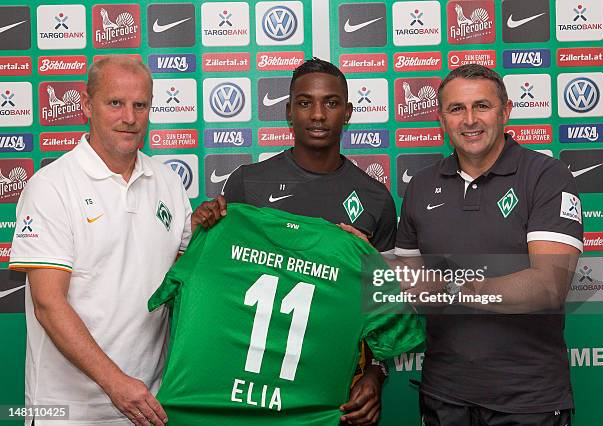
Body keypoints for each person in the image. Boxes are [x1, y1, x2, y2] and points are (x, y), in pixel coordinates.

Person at [195, 58, 399, 425]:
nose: (318, 115)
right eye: (305, 102)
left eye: (331, 103)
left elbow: (382, 302)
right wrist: (202, 231)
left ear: (348, 112)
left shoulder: (375, 198)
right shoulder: (248, 183)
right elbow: (218, 287)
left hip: (334, 389)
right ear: (289, 112)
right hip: (255, 383)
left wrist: (376, 374)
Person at [9, 56, 196, 426]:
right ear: (86, 106)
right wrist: (117, 384)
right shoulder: (51, 187)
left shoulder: (169, 184)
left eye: (140, 105)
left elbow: (185, 285)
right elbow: (48, 304)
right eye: (115, 103)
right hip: (66, 413)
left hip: (147, 407)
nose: (129, 117)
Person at [394, 64, 583, 425]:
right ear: (441, 119)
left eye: (482, 106)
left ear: (506, 111)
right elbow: (411, 287)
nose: (469, 120)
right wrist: (356, 255)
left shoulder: (545, 176)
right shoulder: (420, 186)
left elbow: (549, 285)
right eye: (456, 109)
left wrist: (451, 286)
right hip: (443, 396)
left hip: (528, 401)